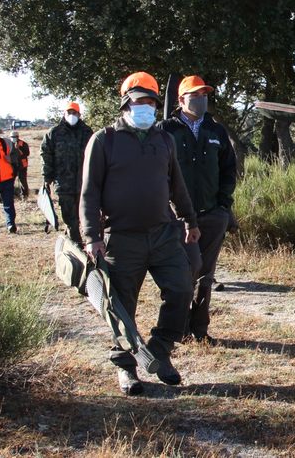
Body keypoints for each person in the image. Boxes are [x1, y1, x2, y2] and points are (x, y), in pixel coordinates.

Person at [80, 71, 201, 395]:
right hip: (123, 237)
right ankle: (126, 369)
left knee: (181, 289)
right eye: (140, 102)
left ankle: (159, 352)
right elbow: (89, 193)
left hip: (164, 234)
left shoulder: (164, 140)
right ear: (126, 104)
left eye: (151, 102)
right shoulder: (104, 140)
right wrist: (92, 237)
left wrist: (190, 220)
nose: (146, 107)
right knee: (122, 307)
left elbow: (177, 185)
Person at [159, 75, 237, 346]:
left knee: (206, 274)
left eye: (204, 94)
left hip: (212, 215)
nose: (201, 99)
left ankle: (200, 329)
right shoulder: (165, 130)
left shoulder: (216, 131)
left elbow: (229, 170)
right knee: (183, 274)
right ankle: (176, 328)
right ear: (181, 99)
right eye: (195, 94)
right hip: (176, 218)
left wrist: (223, 207)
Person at [41, 101, 93, 244]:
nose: (72, 115)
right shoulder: (54, 133)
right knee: (70, 217)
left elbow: (94, 155)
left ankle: (73, 238)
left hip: (84, 183)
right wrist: (47, 177)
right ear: (64, 114)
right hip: (63, 183)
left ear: (79, 114)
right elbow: (46, 155)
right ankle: (76, 245)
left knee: (82, 215)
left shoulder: (87, 132)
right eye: (69, 112)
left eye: (74, 113)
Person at [10, 130, 30, 199]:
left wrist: (18, 149)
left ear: (18, 137)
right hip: (12, 166)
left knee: (23, 181)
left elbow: (27, 153)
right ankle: (11, 195)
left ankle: (25, 196)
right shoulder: (9, 144)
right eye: (12, 137)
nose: (13, 138)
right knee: (10, 181)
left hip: (22, 165)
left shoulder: (23, 144)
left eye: (15, 137)